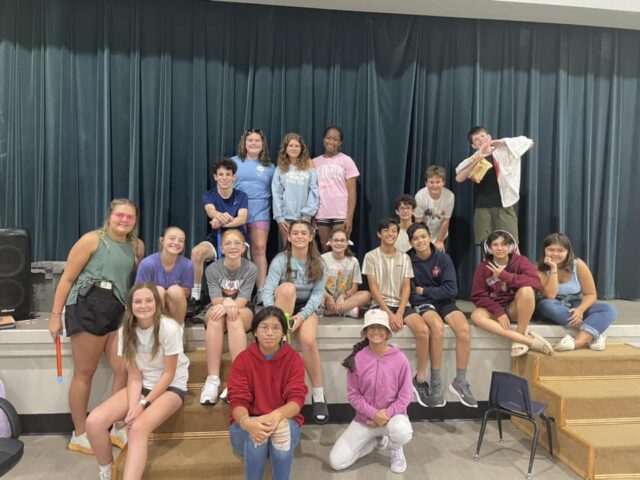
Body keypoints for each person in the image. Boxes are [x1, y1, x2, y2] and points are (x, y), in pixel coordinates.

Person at [48, 199, 145, 454]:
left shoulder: (137, 246)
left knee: (123, 370)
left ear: (135, 220)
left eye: (129, 217)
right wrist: (55, 316)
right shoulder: (91, 240)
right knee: (85, 373)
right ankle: (79, 433)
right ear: (110, 216)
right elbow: (67, 278)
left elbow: (132, 282)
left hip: (117, 311)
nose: (124, 220)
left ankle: (116, 425)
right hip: (86, 308)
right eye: (119, 215)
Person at [86, 282, 189, 480]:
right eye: (138, 301)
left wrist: (143, 405)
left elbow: (169, 374)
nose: (144, 306)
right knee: (94, 422)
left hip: (170, 386)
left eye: (149, 300)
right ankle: (107, 471)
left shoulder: (169, 328)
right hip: (142, 384)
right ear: (130, 306)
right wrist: (133, 407)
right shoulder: (125, 330)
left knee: (138, 429)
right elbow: (134, 376)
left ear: (157, 304)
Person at [228, 306, 307, 480]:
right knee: (256, 436)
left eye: (276, 328)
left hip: (283, 422)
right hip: (246, 425)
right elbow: (237, 400)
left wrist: (276, 416)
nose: (270, 333)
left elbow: (297, 399)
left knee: (281, 429)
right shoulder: (243, 360)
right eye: (264, 327)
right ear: (255, 332)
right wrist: (248, 423)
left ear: (283, 334)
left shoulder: (293, 359)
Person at [329, 309, 413, 474]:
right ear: (365, 332)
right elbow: (354, 396)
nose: (376, 331)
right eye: (371, 327)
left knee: (402, 431)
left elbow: (405, 395)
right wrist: (374, 414)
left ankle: (395, 448)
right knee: (336, 462)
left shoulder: (400, 359)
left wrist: (386, 414)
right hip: (365, 420)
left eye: (380, 327)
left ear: (388, 333)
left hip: (393, 418)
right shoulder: (357, 360)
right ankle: (376, 441)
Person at [262, 220, 328, 423]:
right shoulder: (280, 260)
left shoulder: (319, 263)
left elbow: (318, 295)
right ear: (289, 237)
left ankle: (318, 394)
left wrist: (302, 316)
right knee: (288, 288)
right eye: (295, 233)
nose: (299, 236)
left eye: (303, 233)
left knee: (308, 341)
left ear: (310, 237)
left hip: (306, 308)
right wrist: (273, 318)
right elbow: (268, 289)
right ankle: (282, 336)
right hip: (283, 304)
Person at [407, 222, 476, 408]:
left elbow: (451, 290)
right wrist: (427, 293)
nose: (420, 241)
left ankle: (460, 381)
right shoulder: (407, 260)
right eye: (415, 238)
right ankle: (435, 381)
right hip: (423, 304)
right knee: (436, 327)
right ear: (410, 242)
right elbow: (412, 294)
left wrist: (426, 290)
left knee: (463, 330)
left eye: (423, 236)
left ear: (430, 236)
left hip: (443, 301)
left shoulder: (443, 259)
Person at [470, 230, 553, 357]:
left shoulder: (521, 261)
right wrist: (498, 311)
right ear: (489, 248)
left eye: (504, 244)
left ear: (511, 247)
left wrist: (504, 275)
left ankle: (520, 334)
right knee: (476, 316)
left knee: (527, 290)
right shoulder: (483, 268)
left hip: (514, 308)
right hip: (495, 310)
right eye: (495, 245)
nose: (500, 248)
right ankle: (525, 340)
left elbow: (534, 282)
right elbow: (478, 295)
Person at [200, 229, 258, 404]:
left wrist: (230, 306)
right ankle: (212, 379)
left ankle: (238, 379)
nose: (233, 247)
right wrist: (225, 303)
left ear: (243, 248)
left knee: (235, 318)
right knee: (215, 319)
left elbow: (243, 299)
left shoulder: (251, 268)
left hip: (242, 308)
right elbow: (215, 298)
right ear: (222, 248)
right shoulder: (212, 269)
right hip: (218, 306)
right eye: (228, 243)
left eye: (237, 243)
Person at [536, 233, 616, 351]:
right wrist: (553, 268)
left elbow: (591, 294)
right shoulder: (538, 268)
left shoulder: (578, 265)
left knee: (608, 309)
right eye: (551, 250)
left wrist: (580, 310)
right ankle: (594, 332)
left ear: (568, 252)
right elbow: (550, 296)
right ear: (544, 251)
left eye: (560, 250)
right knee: (545, 304)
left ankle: (577, 342)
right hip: (554, 306)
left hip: (575, 304)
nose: (555, 254)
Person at [455, 126, 534, 245]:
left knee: (512, 244)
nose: (480, 140)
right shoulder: (473, 159)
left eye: (482, 136)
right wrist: (478, 158)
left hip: (504, 205)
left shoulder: (504, 151)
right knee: (487, 246)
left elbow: (529, 142)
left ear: (489, 137)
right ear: (473, 146)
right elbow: (459, 178)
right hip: (483, 207)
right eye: (476, 139)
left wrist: (501, 142)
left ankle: (516, 265)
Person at [190, 157, 249, 311]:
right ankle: (195, 297)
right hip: (216, 239)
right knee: (197, 253)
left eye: (228, 174)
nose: (224, 178)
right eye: (221, 175)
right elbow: (210, 211)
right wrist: (219, 216)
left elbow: (242, 218)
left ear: (233, 177)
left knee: (233, 251)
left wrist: (220, 220)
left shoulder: (241, 196)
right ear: (215, 177)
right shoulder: (209, 195)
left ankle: (239, 297)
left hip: (238, 238)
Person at [232, 130, 275, 304]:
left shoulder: (270, 167)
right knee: (236, 251)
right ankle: (237, 291)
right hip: (237, 210)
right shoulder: (233, 162)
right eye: (250, 140)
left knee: (259, 249)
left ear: (263, 144)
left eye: (257, 140)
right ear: (245, 142)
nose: (254, 143)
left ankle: (262, 292)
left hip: (261, 210)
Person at [313, 126, 360, 251]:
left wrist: (349, 217)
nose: (331, 142)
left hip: (341, 213)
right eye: (328, 138)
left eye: (335, 139)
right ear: (323, 139)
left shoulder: (346, 161)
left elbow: (352, 191)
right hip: (321, 212)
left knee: (340, 249)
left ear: (340, 143)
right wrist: (312, 216)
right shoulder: (314, 163)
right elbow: (311, 191)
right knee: (325, 249)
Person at [135, 226, 194, 325]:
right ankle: (154, 330)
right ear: (162, 240)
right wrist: (162, 293)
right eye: (172, 238)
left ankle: (178, 330)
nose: (176, 243)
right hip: (150, 307)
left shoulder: (188, 265)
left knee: (175, 290)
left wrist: (170, 292)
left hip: (175, 308)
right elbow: (139, 292)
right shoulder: (147, 263)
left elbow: (186, 293)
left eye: (181, 240)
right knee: (158, 290)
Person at [272, 132, 319, 247]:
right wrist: (279, 218)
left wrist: (308, 214)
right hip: (286, 218)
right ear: (285, 148)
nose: (294, 148)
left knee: (306, 250)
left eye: (297, 146)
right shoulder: (280, 168)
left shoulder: (309, 167)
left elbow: (314, 191)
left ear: (302, 148)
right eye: (291, 145)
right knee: (288, 249)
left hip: (305, 217)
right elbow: (276, 194)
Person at [321, 226, 371, 318]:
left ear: (347, 242)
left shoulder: (353, 261)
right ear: (330, 242)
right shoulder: (322, 259)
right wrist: (328, 297)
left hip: (345, 299)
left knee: (366, 295)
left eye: (342, 240)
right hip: (326, 298)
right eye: (336, 240)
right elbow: (317, 285)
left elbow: (354, 288)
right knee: (318, 296)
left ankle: (330, 312)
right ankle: (345, 310)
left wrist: (342, 297)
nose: (339, 243)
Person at [414, 166, 455, 252]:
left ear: (443, 182)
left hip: (440, 235)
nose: (435, 185)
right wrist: (424, 240)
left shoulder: (449, 196)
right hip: (423, 233)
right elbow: (418, 222)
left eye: (438, 182)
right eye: (431, 182)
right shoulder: (420, 196)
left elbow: (446, 221)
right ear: (426, 183)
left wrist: (439, 241)